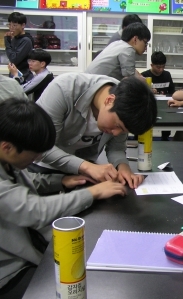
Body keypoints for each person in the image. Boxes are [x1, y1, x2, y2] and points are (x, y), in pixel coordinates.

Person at [0, 99, 128, 298]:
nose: (36, 160)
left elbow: (24, 182)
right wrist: (93, 193)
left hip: (30, 251)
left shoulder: (7, 161)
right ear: (7, 147)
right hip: (10, 273)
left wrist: (62, 180)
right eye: (33, 155)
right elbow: (34, 211)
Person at [34, 73, 157, 189]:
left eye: (123, 131)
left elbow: (116, 148)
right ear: (109, 101)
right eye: (117, 126)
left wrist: (123, 167)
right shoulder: (63, 90)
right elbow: (41, 148)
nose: (115, 133)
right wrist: (87, 167)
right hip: (41, 171)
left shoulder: (124, 106)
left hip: (84, 173)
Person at [85, 22, 150, 80]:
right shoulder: (128, 49)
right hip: (92, 86)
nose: (146, 48)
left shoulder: (117, 43)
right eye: (145, 43)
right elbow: (129, 80)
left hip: (87, 81)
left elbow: (130, 72)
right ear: (135, 39)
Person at [4, 12, 34, 82]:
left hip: (23, 76)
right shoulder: (16, 38)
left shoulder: (26, 40)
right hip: (14, 73)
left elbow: (14, 59)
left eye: (14, 25)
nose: (11, 28)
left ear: (23, 25)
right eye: (9, 25)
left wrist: (7, 42)